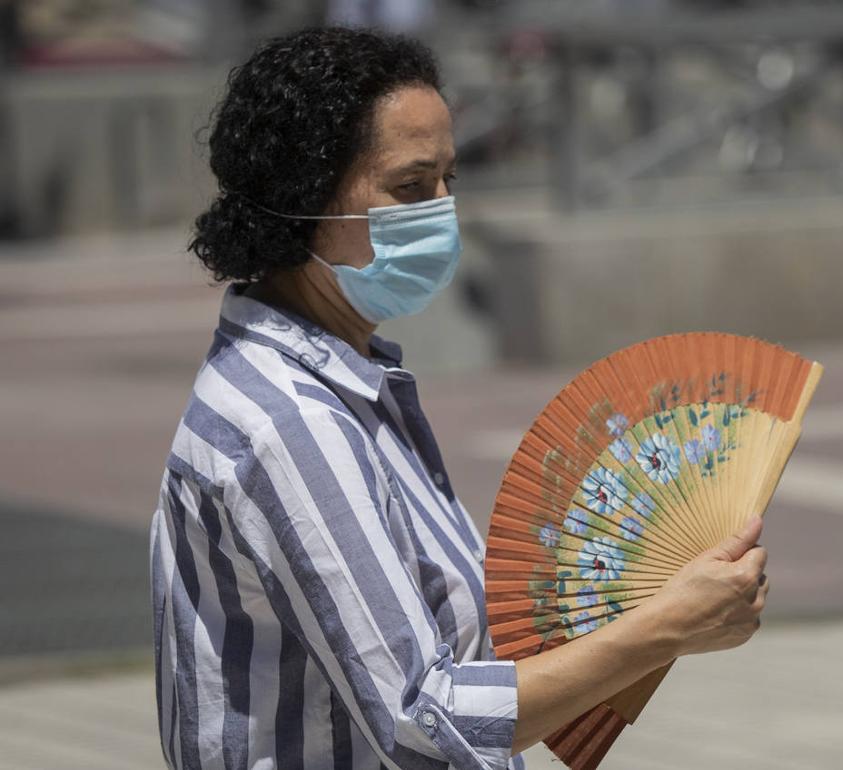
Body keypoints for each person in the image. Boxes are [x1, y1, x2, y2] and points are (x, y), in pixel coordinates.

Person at [149, 26, 769, 770]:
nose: (441, 210)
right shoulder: (290, 422)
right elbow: (422, 714)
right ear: (303, 199)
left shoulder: (340, 378)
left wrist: (647, 602)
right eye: (410, 187)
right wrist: (665, 626)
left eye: (449, 180)